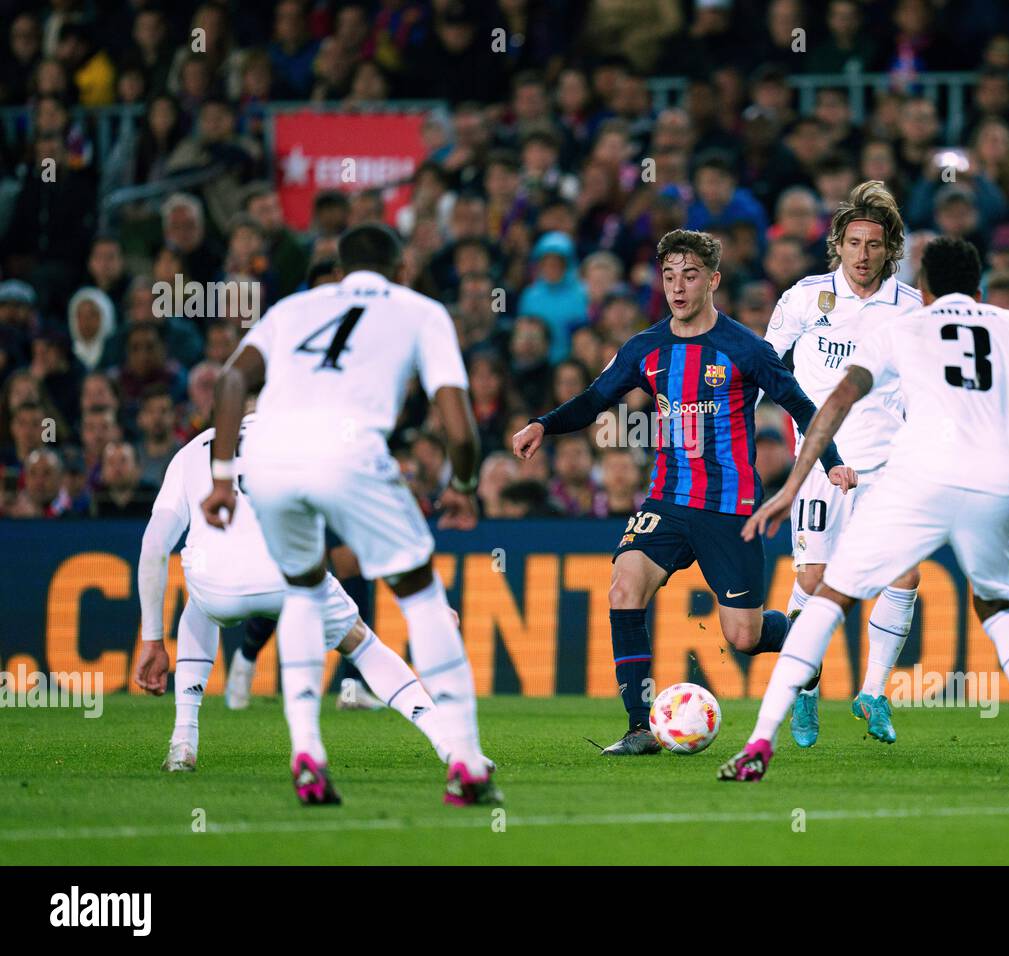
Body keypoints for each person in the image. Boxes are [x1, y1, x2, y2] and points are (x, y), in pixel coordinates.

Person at [721, 237, 1009, 785]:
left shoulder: (904, 326)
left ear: (924, 289)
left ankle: (758, 745)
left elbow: (837, 401)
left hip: (922, 479)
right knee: (999, 610)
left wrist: (790, 484)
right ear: (982, 290)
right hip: (1002, 483)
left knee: (830, 598)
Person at [512, 228, 857, 755]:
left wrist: (831, 462)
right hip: (668, 500)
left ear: (713, 280)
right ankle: (637, 728)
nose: (677, 287)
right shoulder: (645, 348)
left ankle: (798, 636)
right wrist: (544, 424)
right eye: (669, 276)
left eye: (690, 275)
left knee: (741, 637)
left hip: (731, 507)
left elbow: (802, 407)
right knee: (623, 588)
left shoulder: (746, 348)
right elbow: (593, 399)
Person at [198, 223, 498, 806]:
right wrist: (463, 484)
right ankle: (464, 761)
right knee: (420, 595)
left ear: (338, 266)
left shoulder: (294, 306)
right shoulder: (421, 310)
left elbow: (232, 377)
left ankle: (306, 751)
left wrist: (220, 476)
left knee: (305, 591)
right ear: (402, 267)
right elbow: (458, 423)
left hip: (267, 457)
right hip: (351, 451)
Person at [133, 411, 454, 775]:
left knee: (199, 606)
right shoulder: (307, 435)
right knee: (363, 645)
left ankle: (183, 742)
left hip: (214, 585)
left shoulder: (191, 450)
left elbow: (154, 546)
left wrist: (153, 640)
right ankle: (448, 743)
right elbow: (372, 518)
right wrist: (429, 600)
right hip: (289, 578)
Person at [763, 180, 923, 748]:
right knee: (813, 580)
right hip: (819, 464)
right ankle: (806, 688)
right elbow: (767, 365)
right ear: (838, 244)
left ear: (889, 249)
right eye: (853, 242)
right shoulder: (806, 297)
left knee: (906, 573)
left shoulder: (912, 308)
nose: (862, 254)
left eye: (873, 245)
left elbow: (925, 385)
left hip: (888, 466)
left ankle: (874, 693)